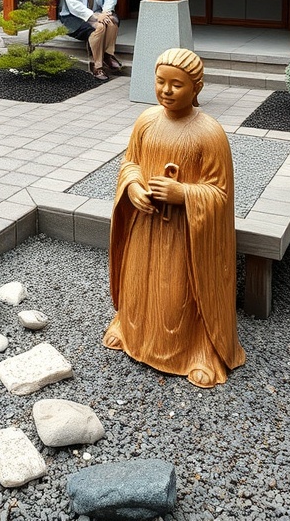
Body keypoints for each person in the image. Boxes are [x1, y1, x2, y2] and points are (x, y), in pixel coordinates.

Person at [103, 47, 246, 388]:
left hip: (184, 236)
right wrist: (133, 185)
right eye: (160, 82)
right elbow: (130, 162)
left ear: (196, 88)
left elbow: (220, 194)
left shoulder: (209, 133)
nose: (166, 91)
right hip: (145, 224)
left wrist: (184, 194)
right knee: (138, 286)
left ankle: (198, 349)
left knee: (176, 295)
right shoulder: (146, 121)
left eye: (176, 84)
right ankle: (129, 329)